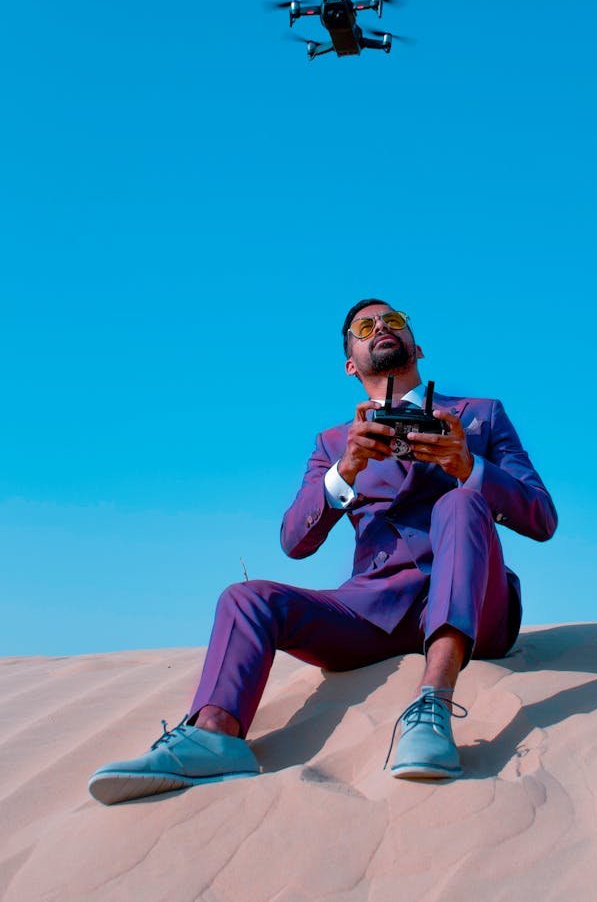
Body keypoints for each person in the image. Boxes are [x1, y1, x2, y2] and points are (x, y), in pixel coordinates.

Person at [89, 299, 557, 805]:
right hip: (374, 610)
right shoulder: (334, 443)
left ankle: (433, 709)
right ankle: (214, 734)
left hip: (476, 606)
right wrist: (347, 469)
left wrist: (468, 465)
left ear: (416, 345)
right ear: (350, 364)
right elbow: (295, 541)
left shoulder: (480, 415)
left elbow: (542, 517)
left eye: (394, 321)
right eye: (364, 326)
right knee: (246, 598)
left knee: (461, 503)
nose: (381, 326)